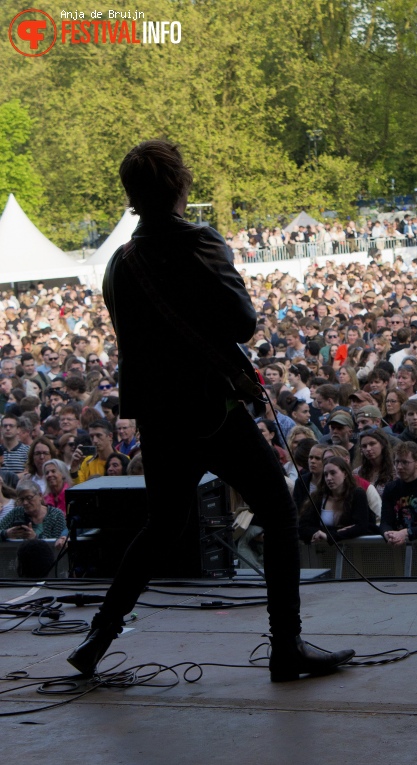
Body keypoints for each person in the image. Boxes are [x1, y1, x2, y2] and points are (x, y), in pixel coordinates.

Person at [68, 140, 354, 681]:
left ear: (132, 196)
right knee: (278, 508)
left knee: (165, 522)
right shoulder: (198, 242)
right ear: (181, 185)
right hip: (208, 408)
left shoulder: (120, 263)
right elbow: (242, 322)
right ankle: (286, 647)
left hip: (157, 415)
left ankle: (99, 634)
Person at [299, 456, 374, 544]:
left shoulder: (357, 494)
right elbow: (303, 527)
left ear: (345, 474)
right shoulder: (318, 496)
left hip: (355, 549)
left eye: (333, 473)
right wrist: (332, 532)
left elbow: (361, 527)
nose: (329, 478)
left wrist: (330, 535)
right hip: (323, 551)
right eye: (326, 474)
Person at [0, 479, 67, 549]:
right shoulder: (16, 513)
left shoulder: (56, 515)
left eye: (29, 498)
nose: (25, 503)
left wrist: (35, 538)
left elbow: (57, 545)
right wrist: (6, 533)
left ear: (40, 496)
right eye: (21, 499)